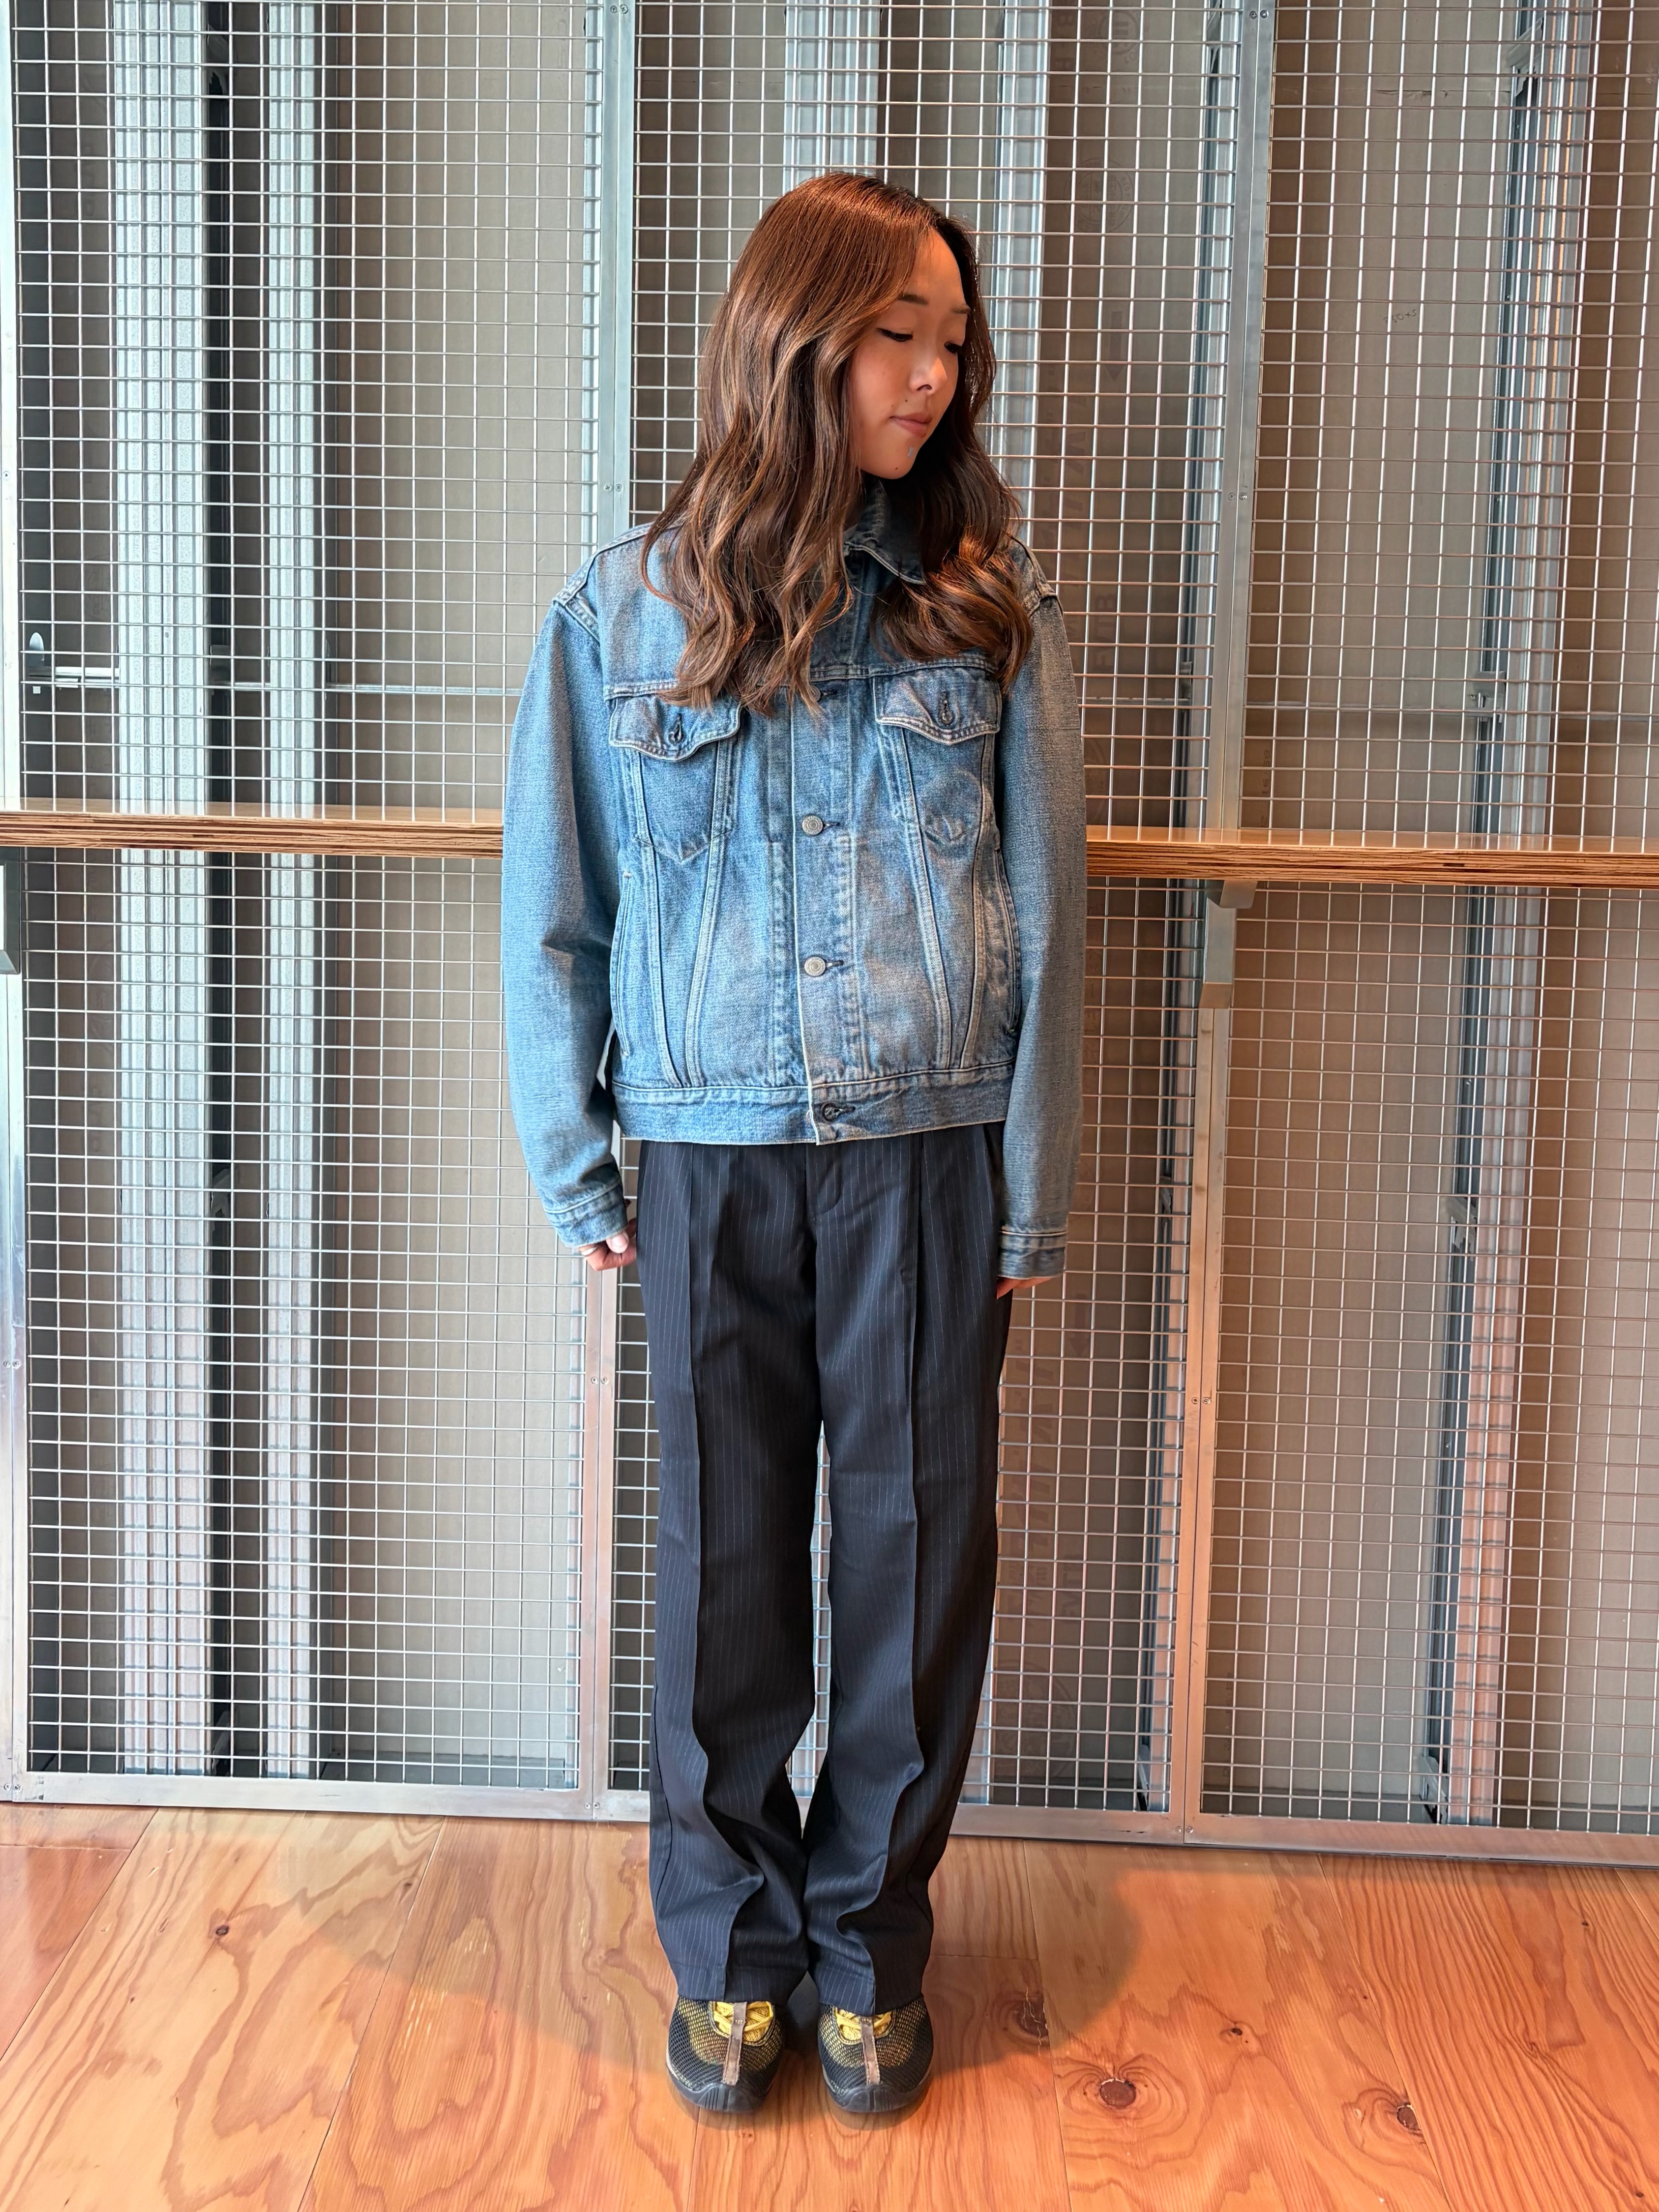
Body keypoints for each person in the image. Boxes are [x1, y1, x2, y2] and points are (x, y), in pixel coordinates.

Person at [502, 171, 1084, 2118]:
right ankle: (730, 1948)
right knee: (723, 1568)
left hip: (927, 1154)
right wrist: (580, 1163)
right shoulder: (620, 614)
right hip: (705, 1156)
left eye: (952, 342)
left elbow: (1048, 909)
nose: (931, 377)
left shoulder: (980, 608)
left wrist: (1029, 1188)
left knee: (915, 1572)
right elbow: (554, 911)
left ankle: (866, 1948)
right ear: (791, 337)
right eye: (895, 334)